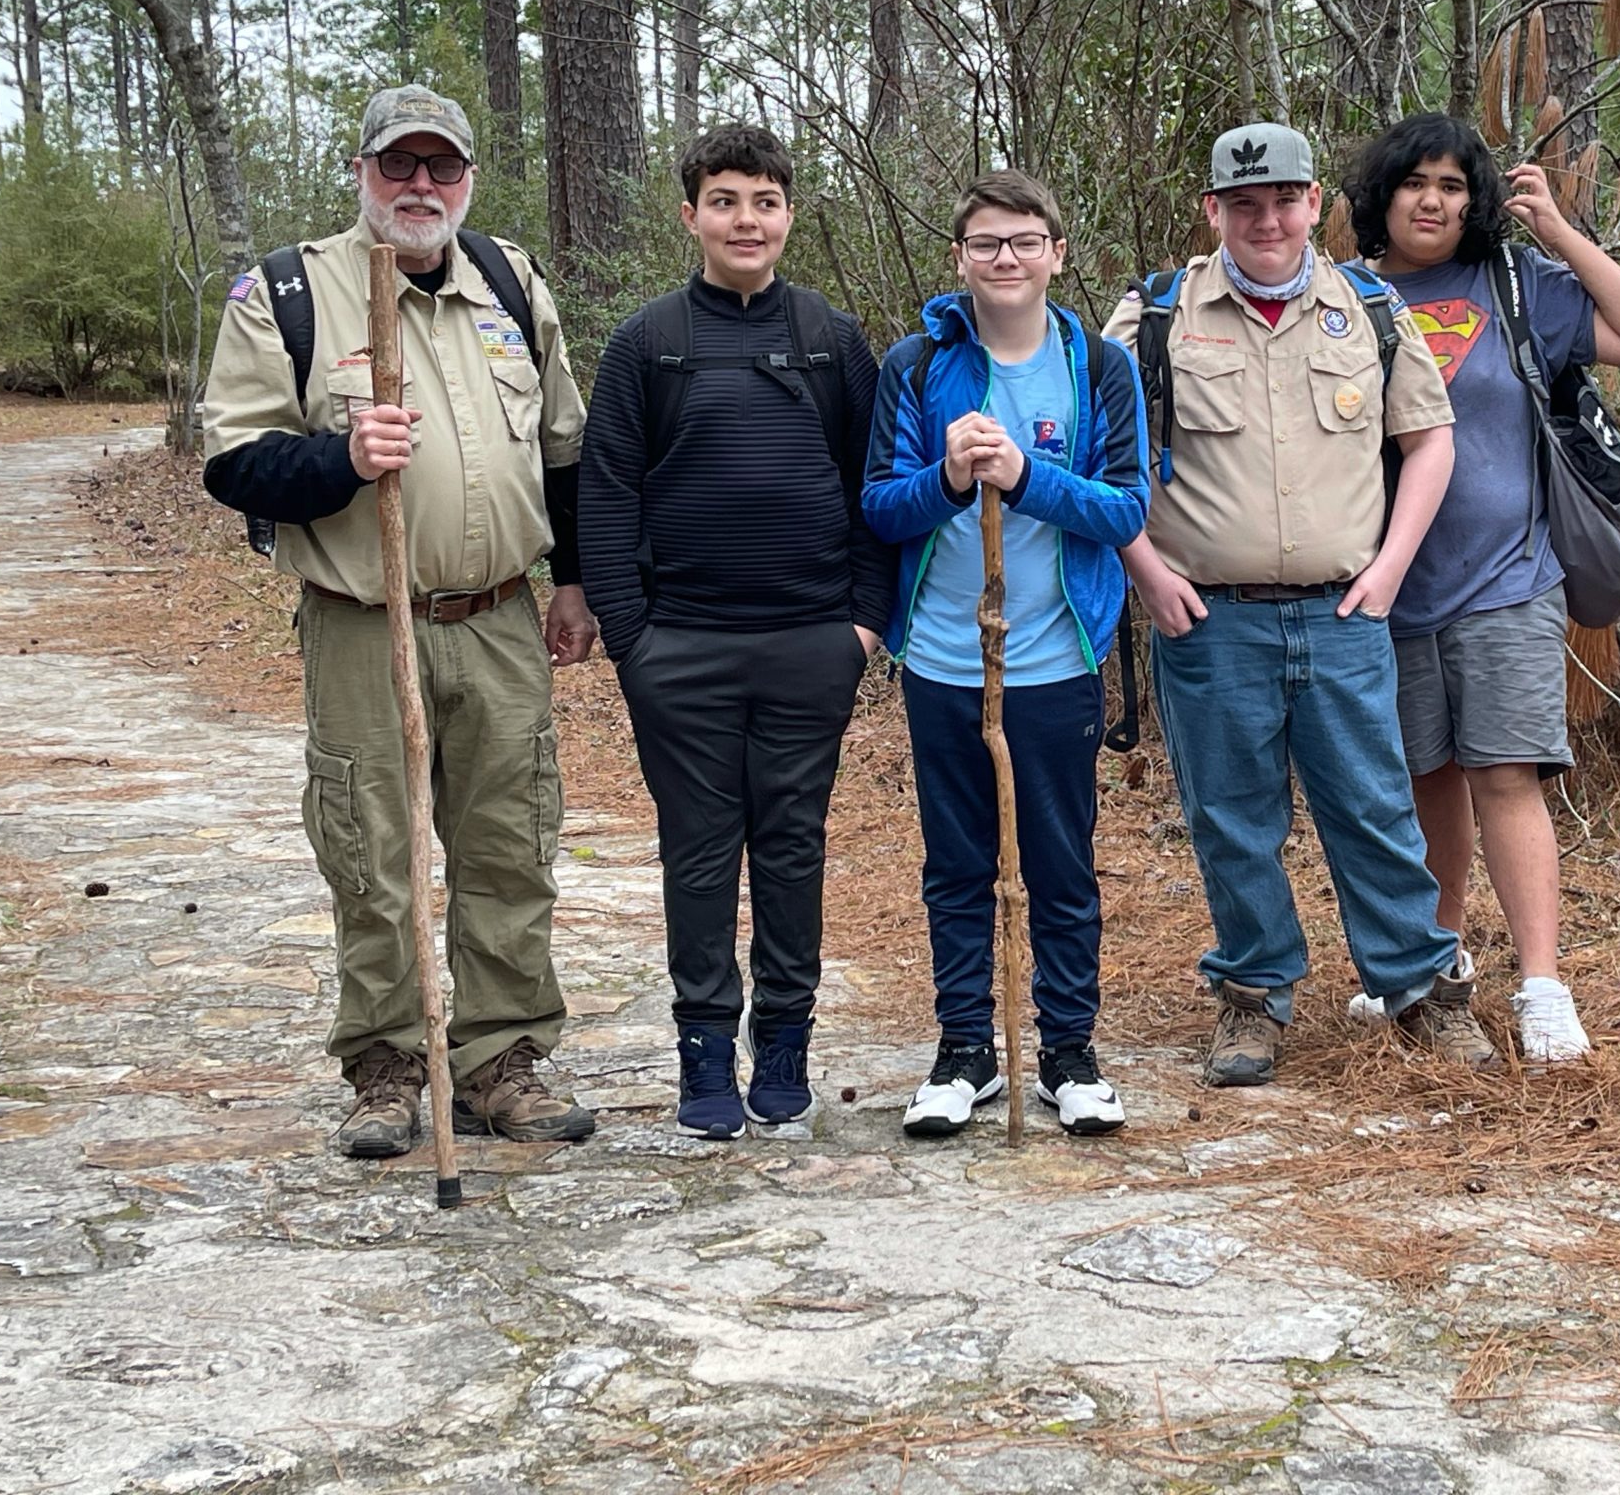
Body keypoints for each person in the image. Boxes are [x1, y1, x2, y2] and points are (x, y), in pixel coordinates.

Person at [202, 84, 598, 1157]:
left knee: (510, 843)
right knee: (370, 850)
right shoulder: (287, 293)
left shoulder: (511, 282)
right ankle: (384, 1066)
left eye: (442, 168)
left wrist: (574, 580)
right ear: (363, 173)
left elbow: (565, 448)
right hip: (359, 620)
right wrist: (340, 458)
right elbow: (232, 464)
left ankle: (500, 1060)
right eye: (399, 166)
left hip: (499, 617)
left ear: (467, 179)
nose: (421, 187)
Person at [1105, 121, 1486, 1087]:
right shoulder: (1152, 317)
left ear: (1317, 203)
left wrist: (1391, 567)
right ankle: (1252, 997)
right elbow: (1097, 467)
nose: (1266, 219)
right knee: (1231, 815)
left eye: (1284, 199)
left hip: (1342, 613)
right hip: (1209, 616)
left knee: (1373, 806)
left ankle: (1421, 992)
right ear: (1213, 212)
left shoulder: (1370, 310)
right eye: (1244, 204)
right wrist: (1149, 571)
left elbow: (1429, 443)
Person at [1342, 114, 1620, 1065]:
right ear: (1383, 197)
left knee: (1506, 776)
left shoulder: (1515, 287)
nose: (1433, 201)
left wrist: (1559, 232)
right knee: (1428, 782)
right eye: (1415, 184)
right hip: (1388, 584)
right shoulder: (1350, 299)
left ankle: (1541, 988)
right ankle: (1435, 967)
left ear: (1474, 199)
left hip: (1510, 578)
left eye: (1452, 185)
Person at [577, 125, 892, 1138]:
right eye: (725, 201)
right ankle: (705, 1051)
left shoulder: (831, 339)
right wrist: (633, 639)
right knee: (700, 853)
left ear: (789, 215)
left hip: (810, 642)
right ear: (691, 216)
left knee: (793, 847)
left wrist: (861, 623)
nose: (745, 220)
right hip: (682, 650)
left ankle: (786, 1043)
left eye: (763, 200)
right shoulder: (648, 342)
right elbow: (607, 491)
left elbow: (872, 486)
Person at [862, 171, 1149, 1136]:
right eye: (986, 243)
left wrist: (1027, 477)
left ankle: (1069, 1049)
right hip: (944, 657)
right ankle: (965, 1050)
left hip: (1056, 656)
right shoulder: (916, 365)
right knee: (957, 861)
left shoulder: (1099, 367)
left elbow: (1124, 509)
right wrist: (946, 478)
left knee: (1061, 860)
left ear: (1056, 254)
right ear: (960, 258)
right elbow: (879, 504)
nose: (1006, 259)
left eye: (1026, 241)